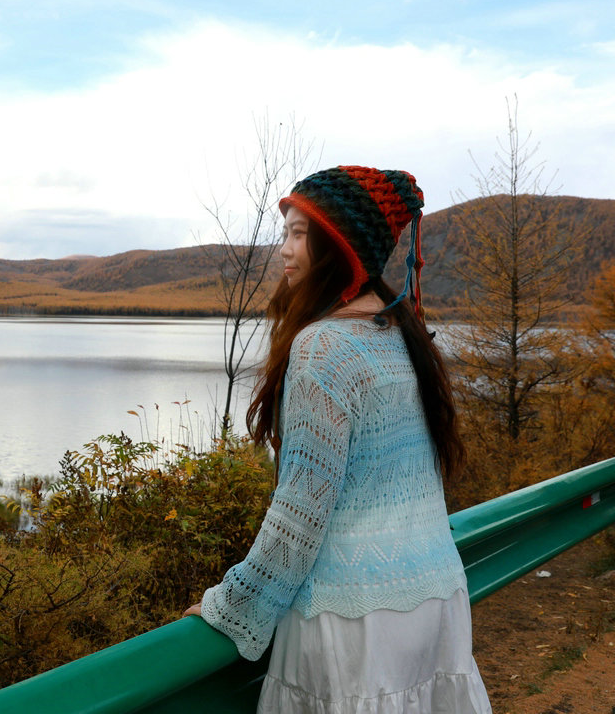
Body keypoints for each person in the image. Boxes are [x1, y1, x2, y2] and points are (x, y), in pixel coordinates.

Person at [184, 166, 491, 712]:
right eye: (285, 233)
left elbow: (301, 512)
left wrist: (233, 605)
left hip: (351, 622)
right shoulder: (402, 333)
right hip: (436, 600)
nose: (284, 250)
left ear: (338, 245)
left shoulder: (323, 347)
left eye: (299, 234)